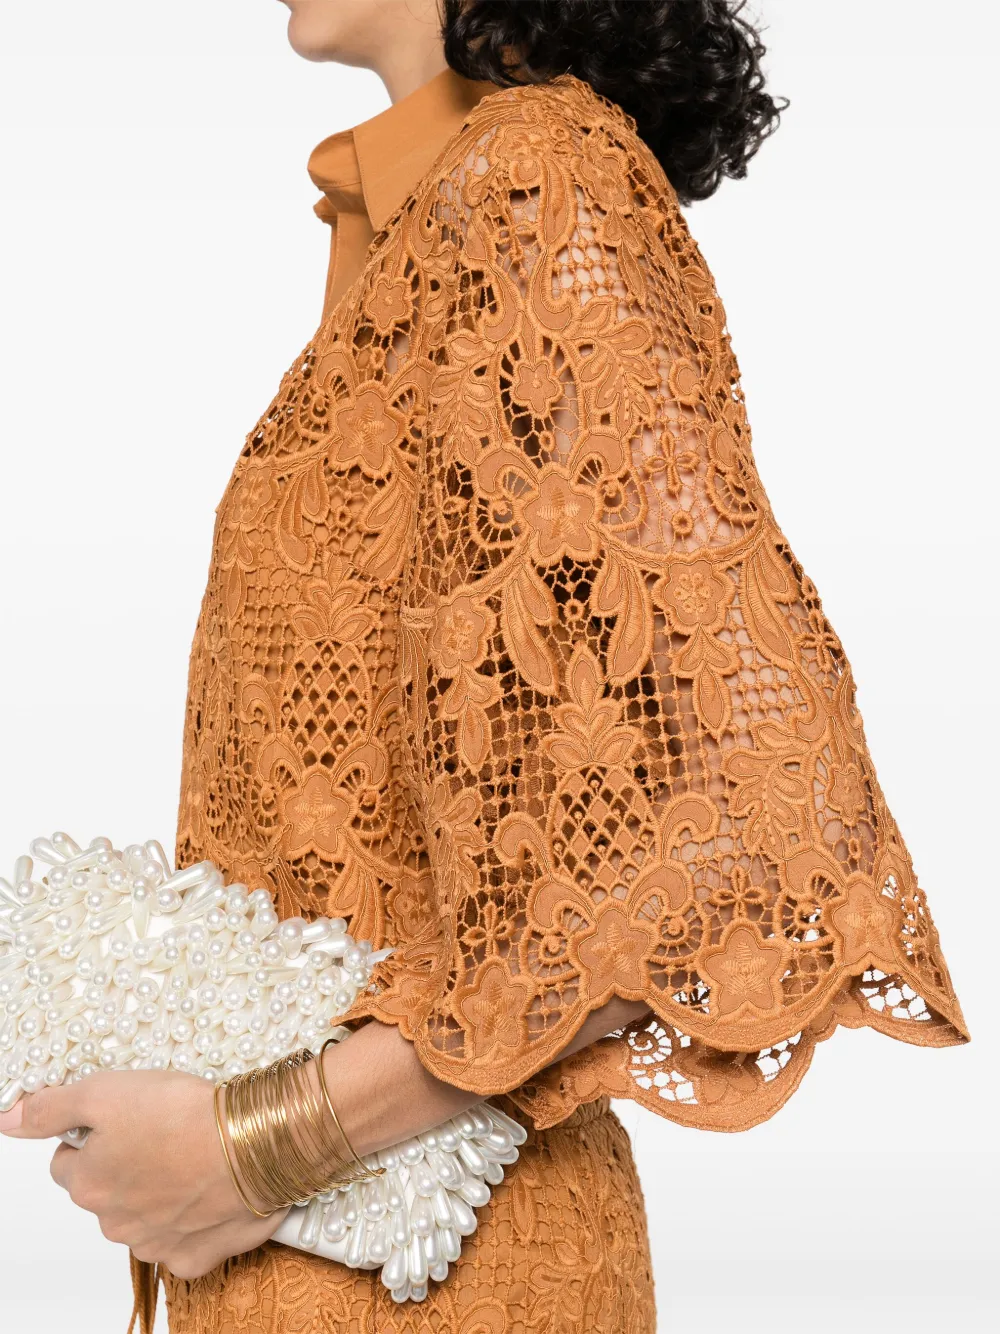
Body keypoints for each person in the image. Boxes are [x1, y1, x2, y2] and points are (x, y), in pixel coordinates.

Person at [0, 2, 969, 1331]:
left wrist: (254, 1145)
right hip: (311, 1266)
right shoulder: (431, 214)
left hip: (436, 1270)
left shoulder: (536, 177)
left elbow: (684, 854)